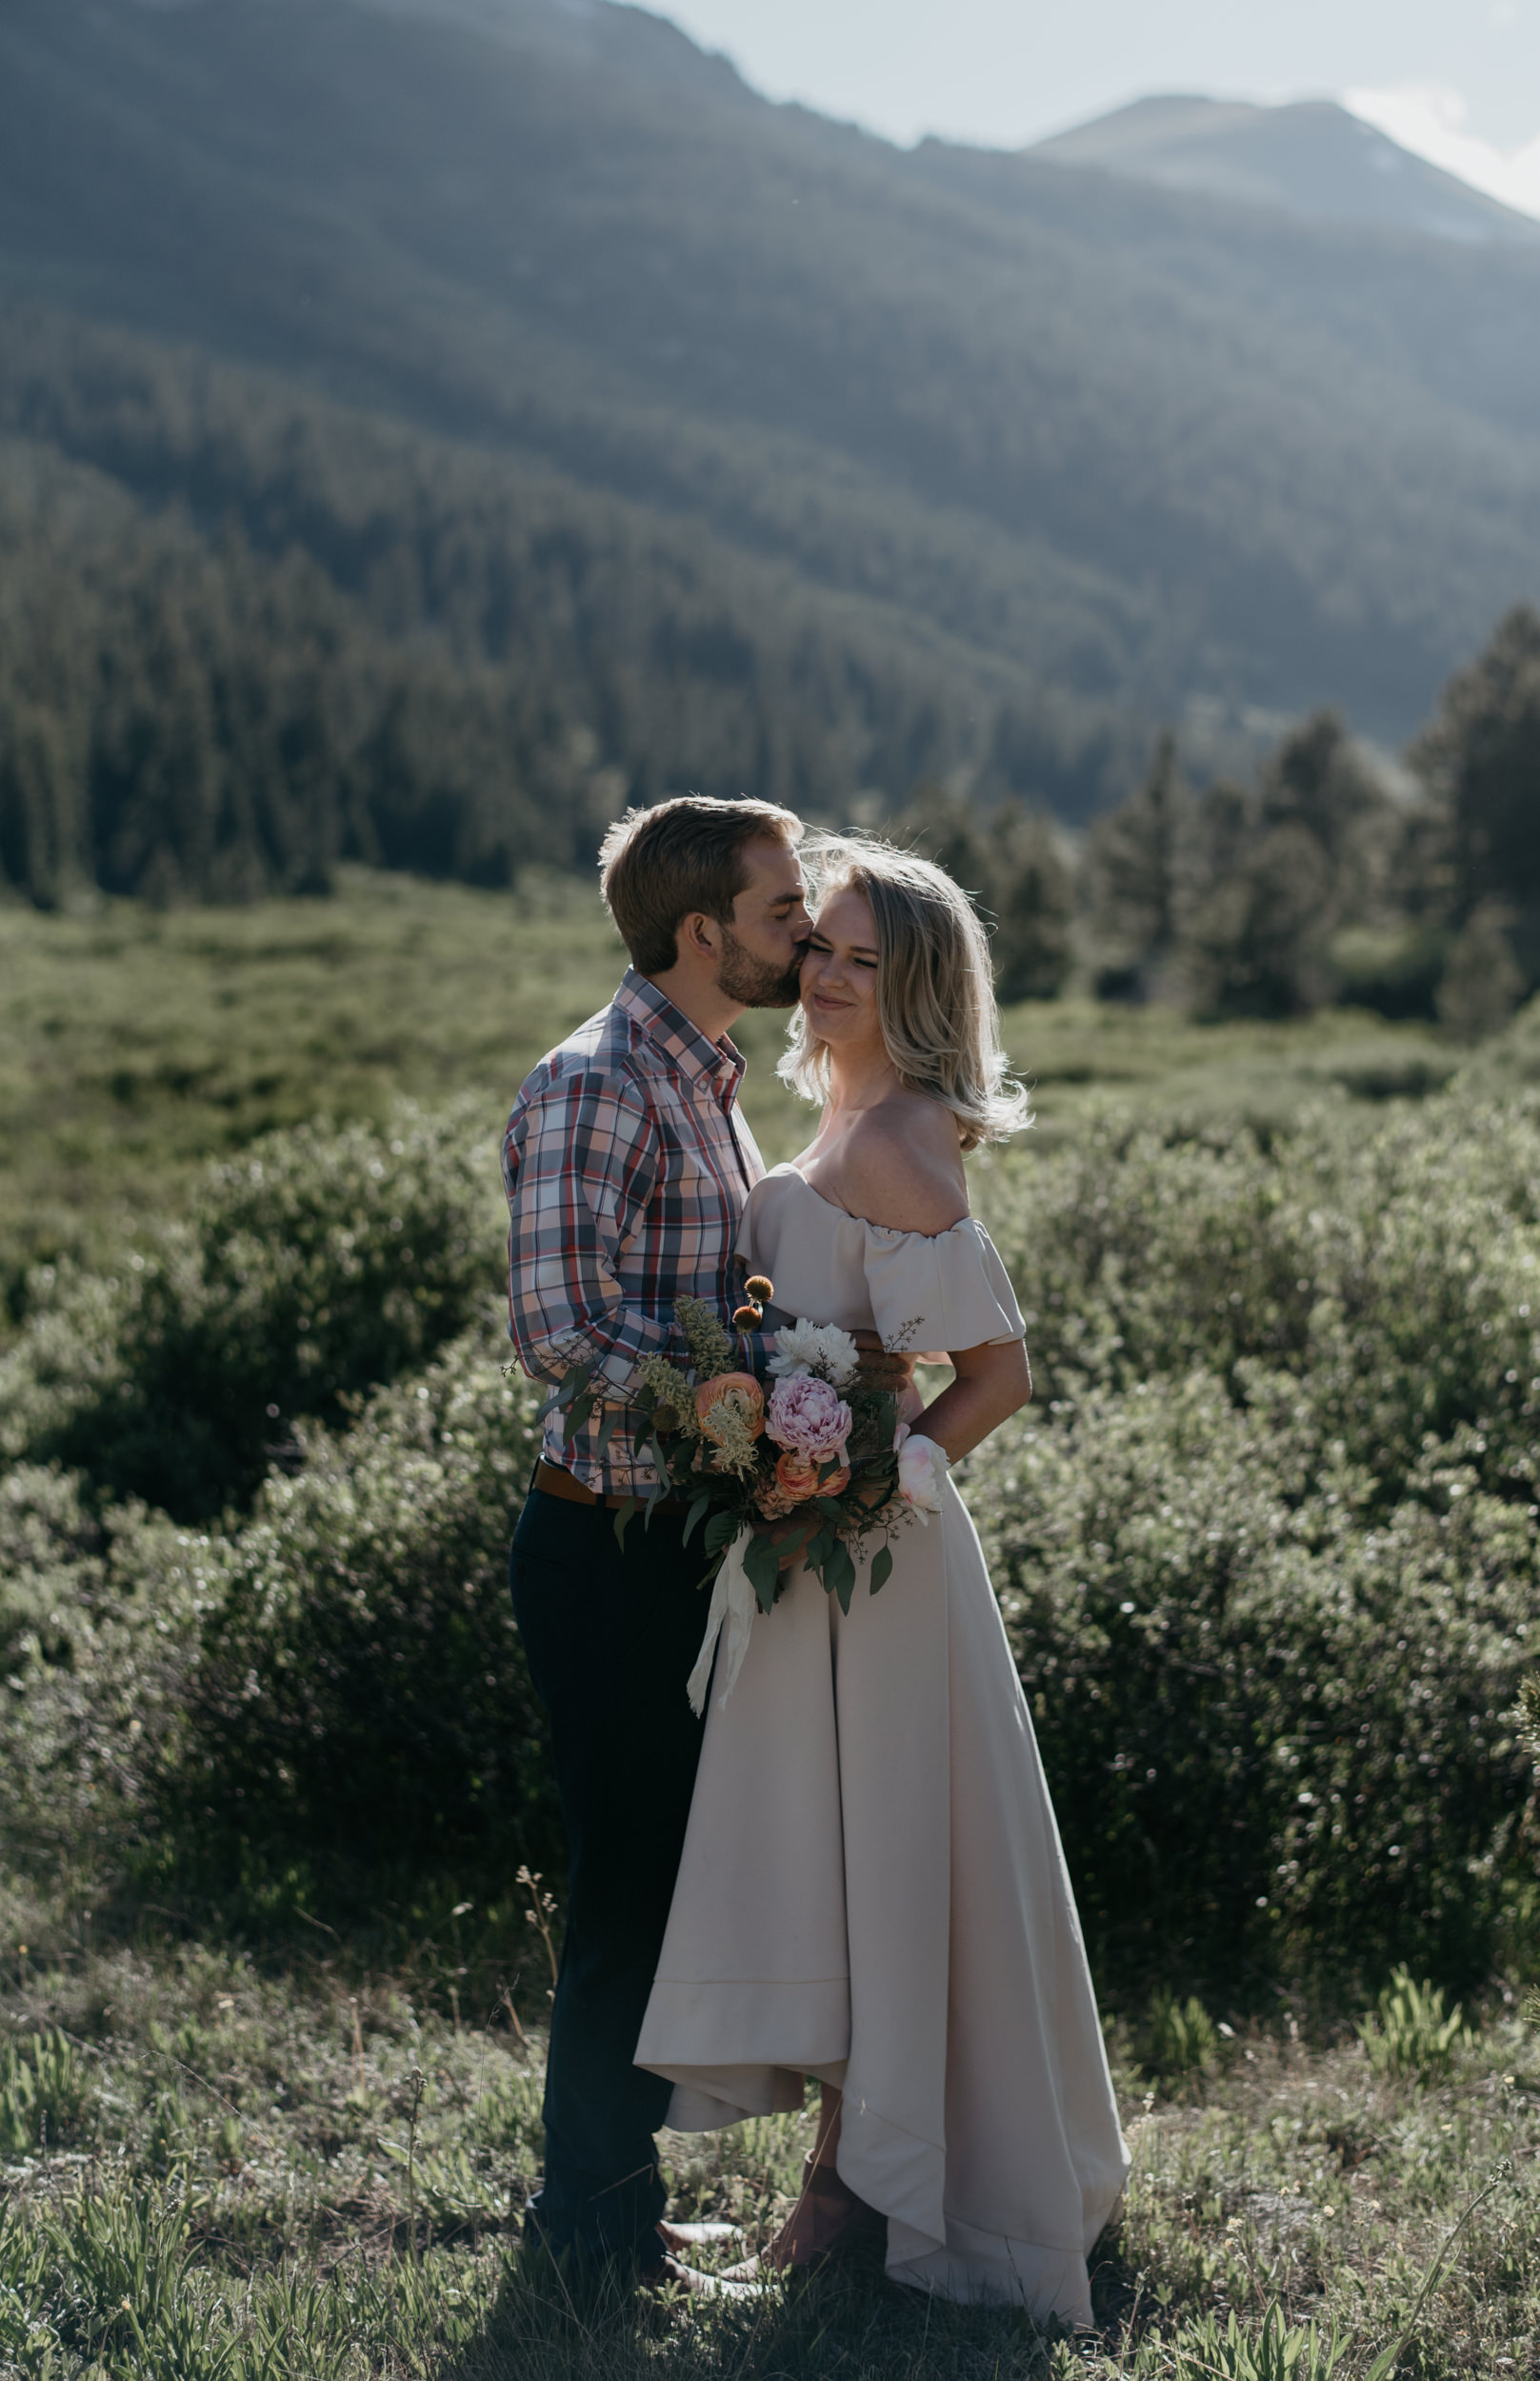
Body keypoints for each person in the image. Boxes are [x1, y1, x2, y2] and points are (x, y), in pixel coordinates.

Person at [634, 837, 1130, 2325]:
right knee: (837, 1855)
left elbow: (995, 1373)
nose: (825, 975)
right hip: (807, 1559)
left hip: (876, 1569)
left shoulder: (900, 1138)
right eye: (821, 948)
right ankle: (847, 2178)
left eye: (861, 957)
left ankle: (852, 2191)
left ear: (914, 989)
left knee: (892, 1859)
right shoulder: (840, 1118)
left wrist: (870, 1473)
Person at [501, 793, 810, 2297]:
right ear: (698, 933)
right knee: (625, 1880)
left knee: (663, 1874)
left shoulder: (707, 1077)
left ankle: (611, 2195)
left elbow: (705, 1292)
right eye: (775, 911)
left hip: (681, 1544)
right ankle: (591, 2228)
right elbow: (556, 1332)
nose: (801, 932)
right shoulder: (596, 1082)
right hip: (603, 1550)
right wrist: (722, 1407)